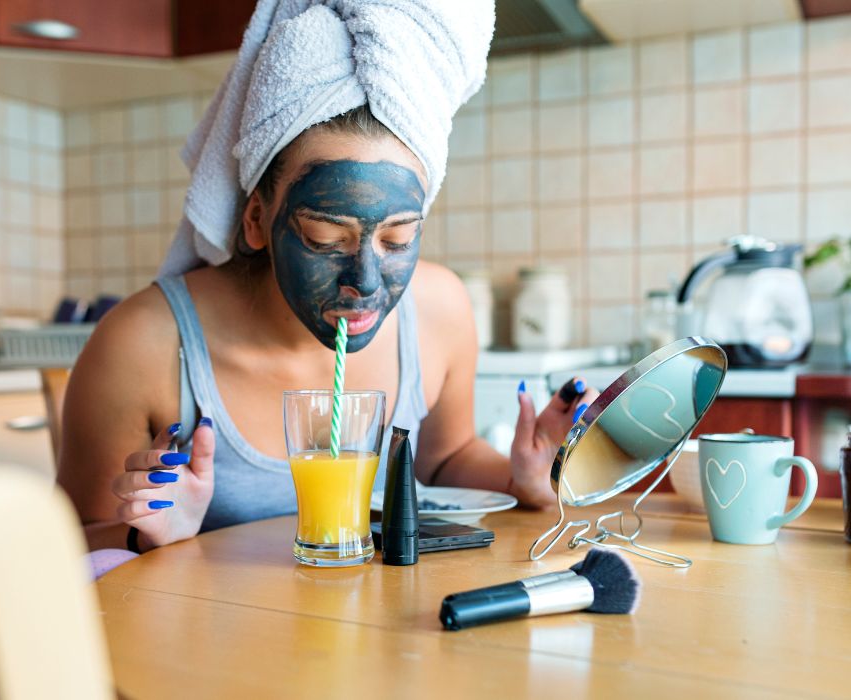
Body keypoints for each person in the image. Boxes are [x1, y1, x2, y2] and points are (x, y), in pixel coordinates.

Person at [56, 0, 598, 554]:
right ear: (257, 220)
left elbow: (444, 458)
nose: (364, 281)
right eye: (324, 239)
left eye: (398, 240)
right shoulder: (141, 345)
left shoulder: (440, 310)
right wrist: (143, 534)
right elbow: (66, 545)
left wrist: (524, 478)